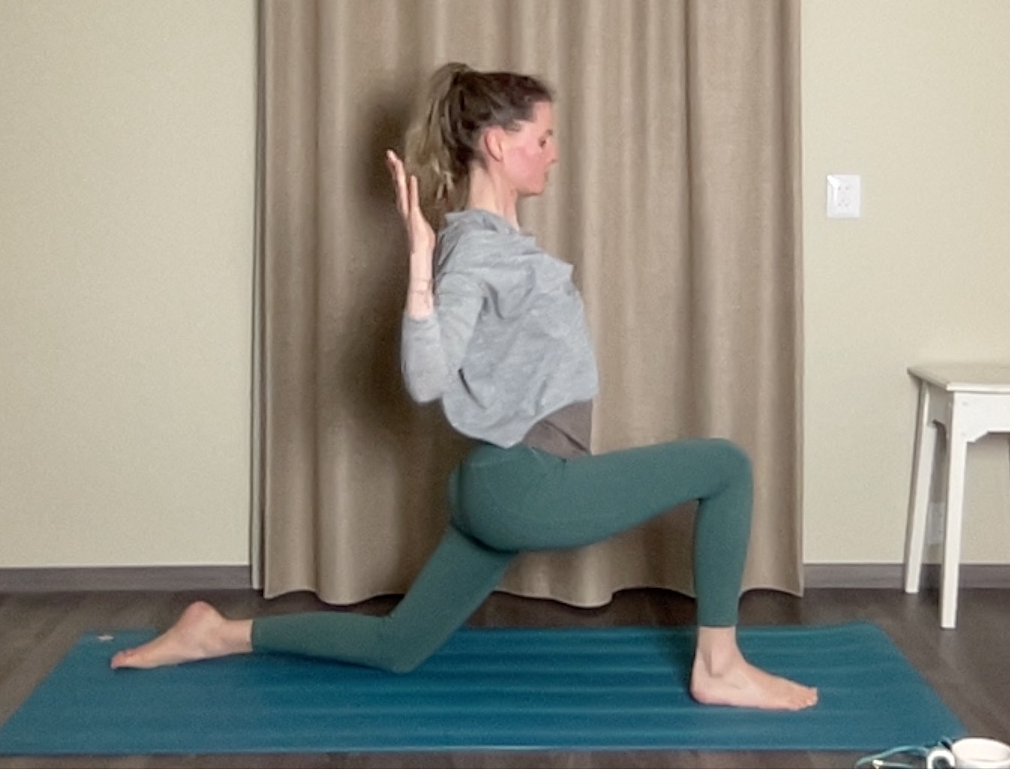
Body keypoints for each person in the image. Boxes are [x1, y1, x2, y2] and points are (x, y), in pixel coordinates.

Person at [111, 63, 817, 711]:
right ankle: (719, 667)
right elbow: (426, 378)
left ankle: (216, 633)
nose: (554, 153)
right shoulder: (475, 248)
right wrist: (420, 265)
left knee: (398, 646)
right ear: (498, 143)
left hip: (497, 484)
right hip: (523, 483)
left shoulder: (500, 243)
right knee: (726, 467)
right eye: (543, 137)